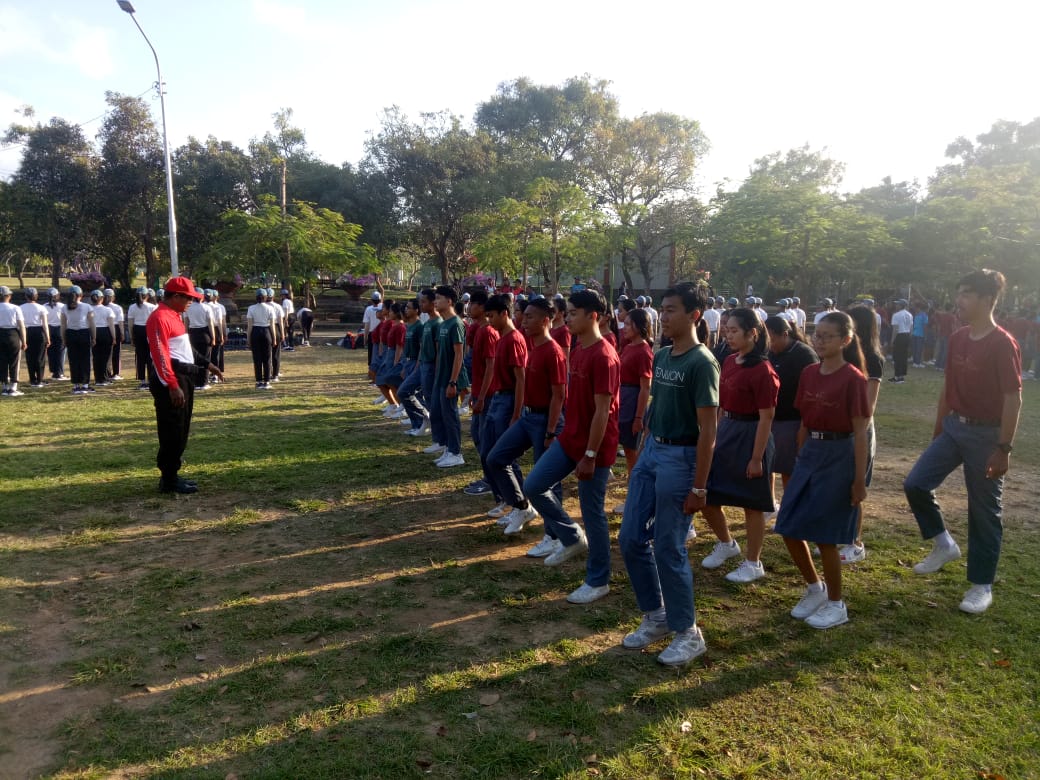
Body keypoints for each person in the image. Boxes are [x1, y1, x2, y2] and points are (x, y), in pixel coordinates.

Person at [903, 269, 1022, 614]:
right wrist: (939, 430)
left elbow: (1013, 398)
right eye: (959, 293)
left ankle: (981, 585)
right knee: (916, 483)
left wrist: (1004, 448)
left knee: (984, 511)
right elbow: (947, 389)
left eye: (967, 294)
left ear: (988, 299)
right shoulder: (957, 338)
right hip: (955, 427)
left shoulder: (1003, 343)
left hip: (988, 435)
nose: (959, 300)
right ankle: (943, 544)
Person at [618, 283, 720, 666]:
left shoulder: (702, 362)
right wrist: (643, 453)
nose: (665, 316)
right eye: (663, 309)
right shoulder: (662, 356)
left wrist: (700, 485)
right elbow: (656, 407)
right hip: (653, 452)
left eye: (673, 309)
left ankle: (687, 631)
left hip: (682, 457)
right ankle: (656, 615)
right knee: (630, 538)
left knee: (668, 546)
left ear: (694, 314)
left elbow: (709, 429)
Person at [521, 289, 620, 605]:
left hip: (595, 446)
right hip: (570, 438)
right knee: (534, 485)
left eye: (573, 312)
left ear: (593, 316)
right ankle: (570, 536)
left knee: (593, 514)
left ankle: (598, 579)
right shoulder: (577, 349)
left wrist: (590, 455)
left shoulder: (604, 356)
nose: (567, 318)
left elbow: (604, 411)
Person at [774, 311, 870, 629]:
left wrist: (859, 479)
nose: (820, 341)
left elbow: (860, 433)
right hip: (810, 453)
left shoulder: (854, 379)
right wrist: (801, 456)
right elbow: (803, 422)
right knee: (787, 524)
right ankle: (815, 588)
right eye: (817, 335)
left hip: (839, 453)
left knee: (826, 537)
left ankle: (836, 604)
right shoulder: (809, 373)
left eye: (828, 336)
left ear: (845, 340)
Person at [700, 307, 779, 583]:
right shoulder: (731, 361)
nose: (728, 335)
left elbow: (766, 417)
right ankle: (726, 543)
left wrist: (757, 458)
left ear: (752, 334)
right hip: (728, 432)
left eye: (734, 330)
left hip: (751, 435)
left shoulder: (764, 371)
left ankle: (753, 561)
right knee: (706, 494)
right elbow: (721, 405)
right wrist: (716, 436)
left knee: (752, 505)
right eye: (726, 329)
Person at [487, 296, 566, 542]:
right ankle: (521, 507)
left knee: (548, 480)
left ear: (545, 321)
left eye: (530, 316)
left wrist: (551, 431)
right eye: (524, 315)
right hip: (527, 417)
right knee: (496, 458)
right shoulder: (533, 346)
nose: (523, 320)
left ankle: (555, 535)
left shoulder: (553, 351)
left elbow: (559, 395)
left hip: (544, 421)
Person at [147, 277, 224, 494]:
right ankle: (169, 479)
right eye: (188, 297)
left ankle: (173, 474)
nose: (192, 301)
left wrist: (209, 364)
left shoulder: (175, 316)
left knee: (181, 428)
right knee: (172, 429)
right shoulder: (159, 317)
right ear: (176, 296)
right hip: (172, 378)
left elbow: (186, 348)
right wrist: (172, 385)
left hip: (184, 377)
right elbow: (160, 354)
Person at [478, 294, 527, 520]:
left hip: (508, 401)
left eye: (491, 316)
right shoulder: (500, 338)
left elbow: (521, 379)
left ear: (504, 314)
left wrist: (516, 413)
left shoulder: (514, 339)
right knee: (487, 453)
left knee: (504, 456)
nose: (489, 321)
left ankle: (521, 504)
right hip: (497, 399)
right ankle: (506, 499)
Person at [764, 315, 818, 521]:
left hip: (792, 420)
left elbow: (810, 394)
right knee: (767, 465)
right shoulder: (770, 353)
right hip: (772, 419)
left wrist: (804, 425)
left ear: (784, 335)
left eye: (772, 338)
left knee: (788, 468)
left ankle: (791, 507)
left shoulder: (804, 355)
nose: (769, 344)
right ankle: (769, 504)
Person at [842, 305, 884, 563]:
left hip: (858, 430)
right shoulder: (844, 355)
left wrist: (852, 426)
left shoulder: (872, 358)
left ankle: (854, 542)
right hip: (837, 429)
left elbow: (869, 405)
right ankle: (839, 536)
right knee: (837, 486)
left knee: (854, 488)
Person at [616, 308, 654, 510]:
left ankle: (635, 498)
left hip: (632, 404)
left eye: (629, 324)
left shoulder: (643, 351)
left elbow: (645, 387)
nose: (625, 328)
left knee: (633, 454)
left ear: (640, 327)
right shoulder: (629, 346)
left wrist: (639, 417)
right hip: (623, 400)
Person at [428, 286, 469, 468]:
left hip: (450, 379)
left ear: (449, 301)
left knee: (450, 416)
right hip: (440, 378)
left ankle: (456, 453)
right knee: (439, 413)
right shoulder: (443, 323)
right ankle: (448, 448)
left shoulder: (456, 323)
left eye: (438, 298)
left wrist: (453, 382)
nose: (435, 302)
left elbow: (459, 354)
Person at [61, 286, 94, 394]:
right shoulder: (87, 306)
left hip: (70, 333)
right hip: (83, 333)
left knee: (73, 360)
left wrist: (64, 338)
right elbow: (92, 323)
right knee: (85, 359)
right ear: (81, 295)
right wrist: (94, 336)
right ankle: (85, 384)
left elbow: (63, 325)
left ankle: (76, 385)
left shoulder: (64, 307)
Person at [185, 285, 215, 390]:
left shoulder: (188, 307)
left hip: (192, 333)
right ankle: (204, 382)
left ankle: (195, 382)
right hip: (204, 333)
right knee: (205, 358)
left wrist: (186, 335)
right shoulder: (206, 307)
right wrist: (213, 337)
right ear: (201, 296)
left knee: (194, 359)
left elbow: (186, 323)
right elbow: (210, 324)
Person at [128, 287, 158, 389]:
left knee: (140, 357)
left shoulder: (132, 307)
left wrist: (132, 337)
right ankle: (150, 379)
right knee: (150, 356)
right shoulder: (152, 307)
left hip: (138, 330)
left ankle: (142, 380)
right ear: (147, 296)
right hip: (149, 330)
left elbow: (130, 324)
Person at [19, 288, 49, 389]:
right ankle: (39, 380)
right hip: (39, 332)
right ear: (36, 296)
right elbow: (45, 324)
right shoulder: (41, 308)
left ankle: (32, 379)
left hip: (26, 332)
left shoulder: (21, 307)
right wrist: (48, 338)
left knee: (29, 356)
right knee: (40, 357)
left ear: (26, 296)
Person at [246, 289, 276, 389]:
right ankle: (267, 381)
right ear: (266, 297)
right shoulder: (270, 308)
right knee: (267, 358)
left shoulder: (251, 308)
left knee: (257, 358)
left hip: (255, 332)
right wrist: (274, 338)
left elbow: (249, 326)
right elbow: (272, 325)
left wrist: (248, 338)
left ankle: (258, 381)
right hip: (266, 331)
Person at [0, 286, 27, 396]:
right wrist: (24, 341)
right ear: (9, 296)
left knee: (2, 361)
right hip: (12, 334)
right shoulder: (15, 308)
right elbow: (21, 325)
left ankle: (5, 386)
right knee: (14, 361)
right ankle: (13, 387)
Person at [89, 289, 116, 388]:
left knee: (96, 357)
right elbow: (111, 325)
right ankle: (104, 378)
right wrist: (113, 337)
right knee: (105, 357)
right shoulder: (107, 310)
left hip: (93, 332)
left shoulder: (89, 309)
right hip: (105, 332)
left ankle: (98, 378)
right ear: (102, 299)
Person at [44, 288, 67, 381]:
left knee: (51, 352)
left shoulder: (44, 306)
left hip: (49, 329)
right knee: (61, 351)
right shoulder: (63, 306)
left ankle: (54, 371)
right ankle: (59, 373)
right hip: (59, 329)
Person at [103, 288, 124, 380]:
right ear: (113, 297)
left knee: (106, 353)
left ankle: (106, 373)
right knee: (116, 352)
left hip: (104, 329)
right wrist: (122, 333)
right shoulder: (117, 307)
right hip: (115, 328)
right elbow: (120, 322)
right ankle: (116, 373)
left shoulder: (102, 307)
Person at [889, 299, 912, 382]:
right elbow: (911, 328)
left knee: (897, 357)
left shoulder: (896, 315)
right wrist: (909, 337)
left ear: (901, 305)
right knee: (904, 356)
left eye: (897, 304)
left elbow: (895, 329)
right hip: (906, 335)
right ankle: (901, 376)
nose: (896, 306)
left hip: (899, 336)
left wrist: (892, 340)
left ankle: (897, 376)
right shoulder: (909, 315)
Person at [362, 291, 382, 371]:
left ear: (372, 300)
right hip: (382, 333)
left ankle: (372, 369)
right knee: (381, 352)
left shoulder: (368, 309)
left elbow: (366, 325)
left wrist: (365, 338)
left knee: (371, 352)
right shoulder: (383, 307)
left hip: (372, 333)